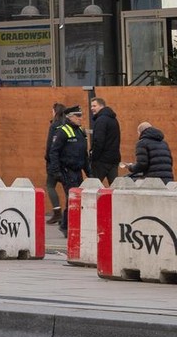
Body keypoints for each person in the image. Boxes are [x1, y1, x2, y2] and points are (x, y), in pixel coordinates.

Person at [46, 106, 89, 237]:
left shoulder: (81, 131)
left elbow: (84, 154)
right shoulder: (62, 131)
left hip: (77, 170)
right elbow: (53, 152)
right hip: (67, 170)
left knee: (77, 198)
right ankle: (66, 226)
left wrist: (89, 172)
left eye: (81, 116)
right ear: (70, 117)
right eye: (78, 116)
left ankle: (66, 225)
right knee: (72, 198)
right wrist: (56, 171)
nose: (81, 118)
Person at [43, 103, 68, 225]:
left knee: (50, 185)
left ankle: (57, 212)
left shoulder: (54, 125)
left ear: (55, 112)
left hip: (54, 161)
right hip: (66, 162)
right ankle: (68, 213)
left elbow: (50, 145)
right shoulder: (67, 125)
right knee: (67, 187)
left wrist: (47, 158)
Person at [88, 97, 121, 184]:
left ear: (101, 106)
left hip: (101, 161)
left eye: (94, 106)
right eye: (91, 106)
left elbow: (98, 141)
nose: (92, 108)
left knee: (93, 187)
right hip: (113, 160)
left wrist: (93, 157)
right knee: (114, 189)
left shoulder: (101, 120)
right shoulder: (114, 120)